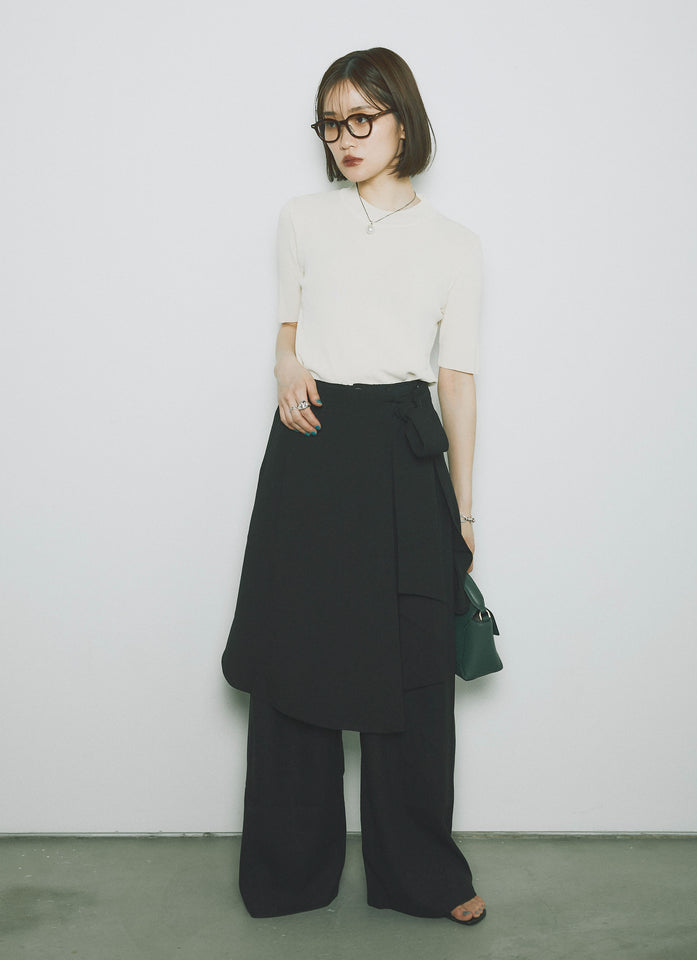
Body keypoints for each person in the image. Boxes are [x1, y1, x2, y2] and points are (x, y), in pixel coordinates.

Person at [222, 47, 487, 927]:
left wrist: (465, 506)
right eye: (331, 122)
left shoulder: (455, 244)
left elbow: (458, 381)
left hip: (405, 450)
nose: (344, 137)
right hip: (313, 443)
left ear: (402, 122)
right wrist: (285, 360)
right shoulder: (303, 218)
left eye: (361, 118)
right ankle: (288, 872)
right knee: (297, 655)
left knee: (413, 667)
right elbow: (290, 325)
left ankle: (420, 874)